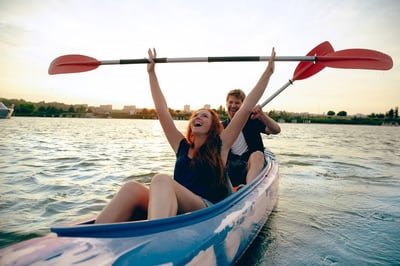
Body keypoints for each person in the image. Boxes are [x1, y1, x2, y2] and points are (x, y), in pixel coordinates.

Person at [95, 47, 276, 224]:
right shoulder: (181, 145)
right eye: (195, 115)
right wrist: (152, 74)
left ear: (214, 126)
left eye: (204, 115)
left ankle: (157, 241)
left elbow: (245, 108)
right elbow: (161, 110)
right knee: (131, 188)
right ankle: (89, 243)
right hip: (178, 206)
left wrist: (268, 72)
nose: (198, 116)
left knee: (161, 180)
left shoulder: (221, 144)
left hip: (208, 210)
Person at [222, 89, 280, 188]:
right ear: (226, 104)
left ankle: (248, 188)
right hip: (230, 167)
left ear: (244, 105)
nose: (233, 106)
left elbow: (276, 130)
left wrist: (262, 115)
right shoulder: (221, 127)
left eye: (237, 103)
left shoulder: (253, 121)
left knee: (258, 155)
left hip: (250, 165)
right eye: (230, 102)